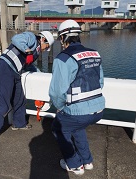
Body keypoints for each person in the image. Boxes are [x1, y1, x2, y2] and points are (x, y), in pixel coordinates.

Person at [49, 19, 105, 176]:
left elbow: (56, 92)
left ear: (62, 38)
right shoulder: (95, 54)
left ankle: (74, 165)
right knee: (77, 128)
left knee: (58, 128)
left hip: (78, 112)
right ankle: (87, 161)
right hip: (99, 109)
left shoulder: (63, 58)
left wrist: (60, 107)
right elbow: (100, 83)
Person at [0, 31, 54, 144]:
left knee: (19, 99)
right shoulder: (31, 37)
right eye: (46, 46)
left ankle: (19, 123)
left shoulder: (36, 52)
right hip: (5, 68)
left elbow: (29, 66)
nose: (45, 49)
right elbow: (16, 39)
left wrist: (40, 74)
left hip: (15, 72)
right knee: (2, 103)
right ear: (43, 40)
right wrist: (27, 50)